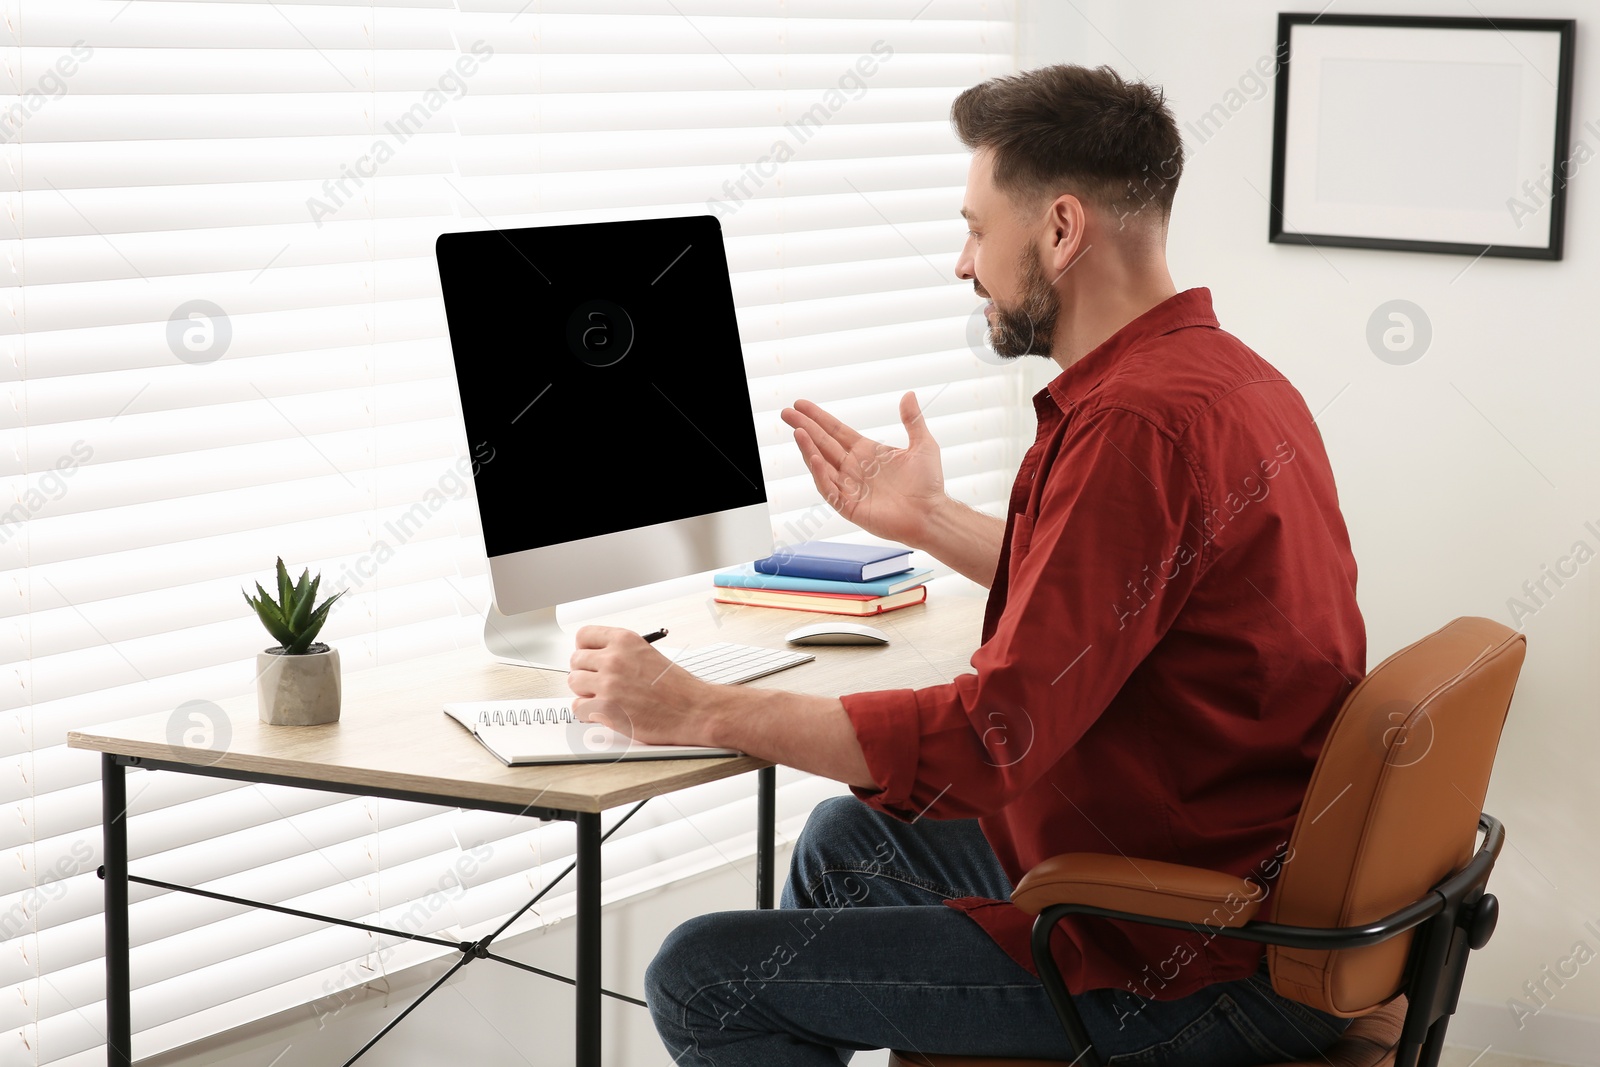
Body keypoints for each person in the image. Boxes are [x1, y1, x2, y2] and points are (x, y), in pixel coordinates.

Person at [566, 63, 1366, 1066]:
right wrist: (930, 516)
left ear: (1061, 229)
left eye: (978, 229)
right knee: (842, 842)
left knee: (704, 974)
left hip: (1185, 960)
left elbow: (992, 739)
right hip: (1223, 873)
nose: (962, 264)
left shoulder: (1132, 426)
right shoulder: (1226, 379)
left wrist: (700, 711)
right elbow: (1124, 600)